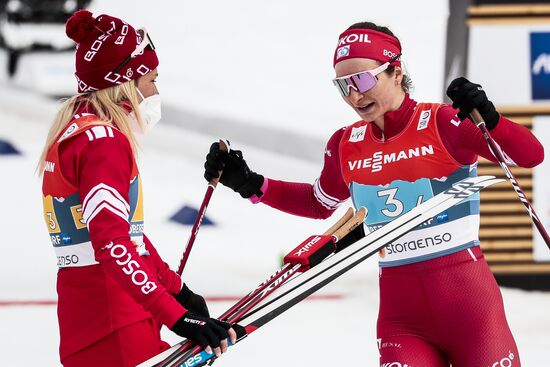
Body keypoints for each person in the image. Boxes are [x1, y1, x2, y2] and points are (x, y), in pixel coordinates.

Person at [203, 21, 544, 366]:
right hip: (402, 319)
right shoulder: (345, 143)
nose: (354, 95)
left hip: (470, 310)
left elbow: (530, 156)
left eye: (362, 80)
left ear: (395, 71)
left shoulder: (443, 123)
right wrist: (251, 183)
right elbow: (318, 203)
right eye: (343, 86)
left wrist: (491, 118)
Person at [39, 10, 235, 367]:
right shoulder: (104, 142)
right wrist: (176, 316)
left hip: (92, 320)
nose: (156, 92)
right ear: (126, 81)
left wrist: (177, 291)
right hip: (117, 324)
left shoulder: (74, 134)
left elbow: (129, 238)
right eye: (151, 80)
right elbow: (112, 244)